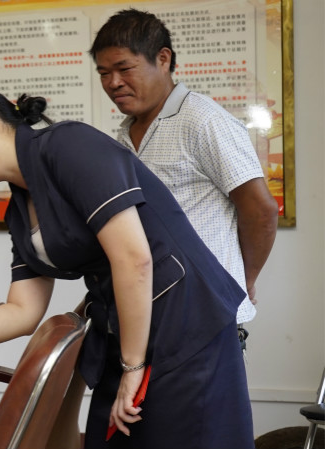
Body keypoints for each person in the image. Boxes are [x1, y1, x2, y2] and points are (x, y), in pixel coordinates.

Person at [0, 85, 254, 449]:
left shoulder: (67, 145)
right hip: (125, 335)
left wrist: (133, 369)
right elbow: (22, 311)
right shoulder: (19, 212)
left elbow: (133, 258)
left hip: (185, 327)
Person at [90, 9, 278, 337]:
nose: (113, 83)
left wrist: (242, 280)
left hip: (205, 317)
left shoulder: (202, 120)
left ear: (163, 59)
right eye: (104, 73)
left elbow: (260, 210)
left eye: (124, 68)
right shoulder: (125, 132)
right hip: (148, 314)